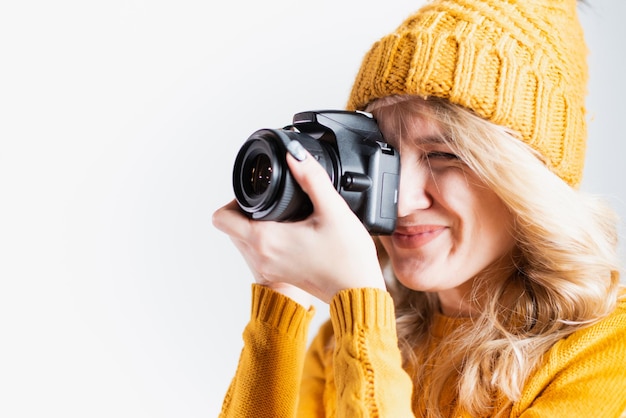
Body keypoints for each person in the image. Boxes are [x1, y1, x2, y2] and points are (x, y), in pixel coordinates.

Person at [212, 0, 626, 416]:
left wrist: (360, 309)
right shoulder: (347, 339)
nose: (402, 199)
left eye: (444, 155)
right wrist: (279, 303)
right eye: (384, 157)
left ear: (527, 180)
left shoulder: (608, 351)